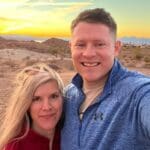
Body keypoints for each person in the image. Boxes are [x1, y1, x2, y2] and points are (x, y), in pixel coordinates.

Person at [61, 8, 150, 150]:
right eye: (80, 44)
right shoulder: (66, 96)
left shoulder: (137, 93)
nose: (89, 53)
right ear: (71, 47)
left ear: (116, 48)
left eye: (99, 44)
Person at [0, 63, 64, 150]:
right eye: (37, 99)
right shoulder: (16, 146)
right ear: (26, 104)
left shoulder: (71, 136)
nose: (47, 107)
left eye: (53, 96)